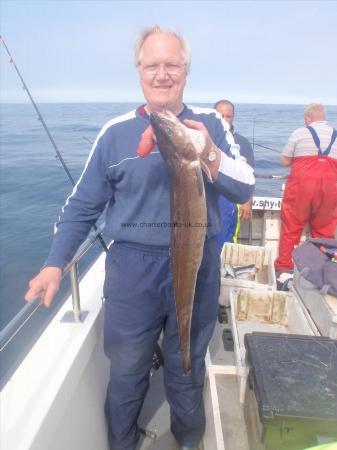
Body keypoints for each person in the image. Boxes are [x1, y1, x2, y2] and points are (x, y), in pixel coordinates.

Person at [24, 26, 255, 450]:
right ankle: (123, 444)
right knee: (127, 370)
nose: (162, 74)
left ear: (186, 70)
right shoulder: (115, 132)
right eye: (152, 65)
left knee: (187, 367)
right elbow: (82, 205)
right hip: (132, 271)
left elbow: (245, 186)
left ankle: (188, 441)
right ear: (139, 71)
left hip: (196, 263)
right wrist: (56, 262)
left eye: (172, 64)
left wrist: (206, 150)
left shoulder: (211, 123)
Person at [274, 103, 337, 273]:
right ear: (324, 117)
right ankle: (322, 269)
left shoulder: (300, 133)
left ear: (308, 118)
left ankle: (284, 267)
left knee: (291, 226)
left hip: (301, 187)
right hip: (330, 189)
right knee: (324, 230)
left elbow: (285, 161)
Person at [214, 99, 255, 247]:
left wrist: (247, 201)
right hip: (207, 199)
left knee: (226, 242)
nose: (224, 119)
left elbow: (249, 176)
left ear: (233, 117)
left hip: (230, 201)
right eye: (221, 115)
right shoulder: (204, 138)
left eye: (228, 116)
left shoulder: (242, 142)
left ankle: (224, 269)